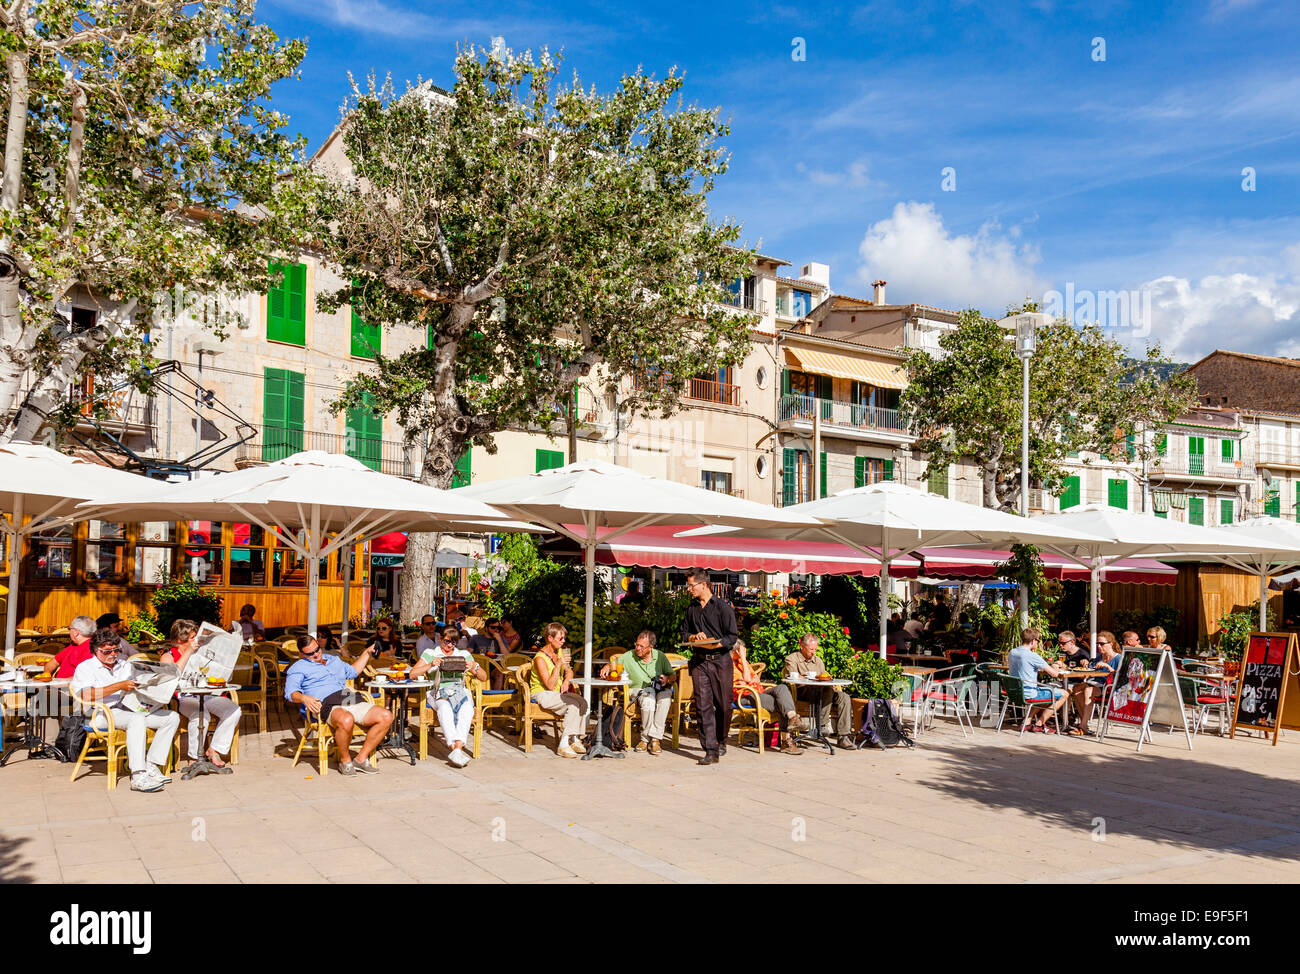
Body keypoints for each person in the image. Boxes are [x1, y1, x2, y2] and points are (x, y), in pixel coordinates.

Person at [70, 628, 180, 792]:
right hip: (100, 713)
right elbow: (86, 695)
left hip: (128, 708)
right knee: (137, 719)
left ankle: (151, 765)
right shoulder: (86, 667)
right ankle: (138, 775)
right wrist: (118, 686)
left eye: (116, 650)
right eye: (107, 651)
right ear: (95, 650)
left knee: (171, 717)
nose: (113, 654)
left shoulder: (125, 665)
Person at [284, 634, 393, 775]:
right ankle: (345, 761)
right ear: (301, 654)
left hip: (346, 697)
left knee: (386, 716)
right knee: (346, 719)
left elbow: (353, 672)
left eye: (317, 650)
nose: (316, 654)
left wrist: (366, 652)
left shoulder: (333, 660)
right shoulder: (298, 667)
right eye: (310, 653)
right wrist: (304, 698)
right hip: (324, 702)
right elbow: (290, 693)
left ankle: (360, 759)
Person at [163, 618, 242, 770]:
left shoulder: (202, 652)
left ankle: (214, 749)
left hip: (208, 693)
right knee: (201, 715)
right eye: (193, 637)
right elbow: (172, 677)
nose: (197, 640)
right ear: (180, 640)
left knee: (233, 710)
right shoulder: (168, 656)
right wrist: (188, 652)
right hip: (184, 697)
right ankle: (194, 757)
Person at [681, 569, 738, 765]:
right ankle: (710, 750)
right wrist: (693, 637)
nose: (689, 589)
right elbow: (684, 633)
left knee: (723, 704)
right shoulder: (692, 608)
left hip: (720, 660)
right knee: (703, 705)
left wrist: (716, 643)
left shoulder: (723, 607)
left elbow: (732, 637)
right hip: (699, 661)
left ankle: (721, 740)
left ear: (703, 584)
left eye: (691, 585)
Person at [411, 627, 489, 768]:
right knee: (444, 707)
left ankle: (457, 748)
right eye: (447, 641)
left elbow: (484, 677)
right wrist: (430, 664)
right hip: (438, 690)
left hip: (459, 690)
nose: (449, 645)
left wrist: (474, 666)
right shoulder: (431, 653)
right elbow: (412, 674)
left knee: (467, 708)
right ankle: (454, 748)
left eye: (453, 642)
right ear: (440, 638)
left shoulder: (463, 654)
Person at [600, 630, 675, 754]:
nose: (637, 648)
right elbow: (614, 665)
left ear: (651, 647)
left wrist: (667, 678)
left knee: (666, 696)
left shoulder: (660, 656)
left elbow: (673, 676)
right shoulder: (629, 655)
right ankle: (645, 739)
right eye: (637, 644)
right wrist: (607, 667)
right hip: (637, 690)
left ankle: (655, 739)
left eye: (641, 646)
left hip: (658, 689)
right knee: (648, 696)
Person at [731, 639, 805, 754]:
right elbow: (748, 679)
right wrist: (745, 661)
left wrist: (750, 678)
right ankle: (786, 741)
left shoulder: (742, 662)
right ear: (736, 651)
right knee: (781, 703)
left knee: (782, 688)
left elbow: (755, 678)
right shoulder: (730, 664)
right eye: (742, 650)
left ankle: (792, 717)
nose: (744, 652)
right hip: (744, 695)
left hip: (757, 692)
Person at [784, 634, 854, 748]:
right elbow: (793, 677)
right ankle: (821, 726)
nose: (814, 652)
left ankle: (843, 737)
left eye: (815, 649)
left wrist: (832, 683)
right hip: (803, 691)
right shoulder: (792, 658)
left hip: (823, 692)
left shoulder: (818, 660)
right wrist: (807, 677)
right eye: (811, 649)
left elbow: (824, 675)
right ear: (802, 646)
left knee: (844, 697)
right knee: (827, 690)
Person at [529, 623, 589, 758]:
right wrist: (558, 665)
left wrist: (567, 680)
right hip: (541, 693)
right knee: (572, 705)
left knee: (583, 702)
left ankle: (573, 739)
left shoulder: (560, 652)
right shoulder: (540, 658)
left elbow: (570, 671)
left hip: (557, 694)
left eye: (564, 638)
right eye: (560, 638)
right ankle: (563, 744)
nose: (563, 641)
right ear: (550, 638)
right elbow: (549, 685)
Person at [1007, 627, 1069, 733]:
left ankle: (1026, 722)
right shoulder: (1032, 655)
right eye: (1038, 640)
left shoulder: (1012, 652)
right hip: (1029, 694)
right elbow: (1054, 674)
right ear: (1033, 641)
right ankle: (1039, 724)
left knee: (1043, 690)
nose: (1038, 643)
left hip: (1014, 692)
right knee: (1064, 694)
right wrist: (1056, 666)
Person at [1069, 630, 1120, 737]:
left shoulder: (1118, 658)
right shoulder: (1099, 657)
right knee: (1077, 688)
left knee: (1088, 690)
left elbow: (1121, 677)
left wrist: (1108, 667)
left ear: (1111, 644)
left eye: (1102, 644)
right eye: (1097, 644)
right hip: (1094, 684)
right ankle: (1085, 724)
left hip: (1108, 688)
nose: (1099, 646)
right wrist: (1086, 664)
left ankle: (1082, 726)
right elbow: (1091, 670)